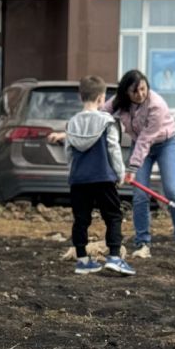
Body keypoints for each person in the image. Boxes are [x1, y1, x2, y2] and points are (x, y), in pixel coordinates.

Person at [48, 76, 133, 276]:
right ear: (101, 98)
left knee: (81, 219)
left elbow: (69, 153)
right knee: (113, 216)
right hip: (103, 178)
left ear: (80, 96)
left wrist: (73, 172)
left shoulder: (72, 123)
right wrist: (120, 174)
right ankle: (114, 257)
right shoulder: (108, 122)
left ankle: (82, 260)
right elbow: (113, 150)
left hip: (79, 180)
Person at [109, 69, 175, 259]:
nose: (140, 94)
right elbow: (100, 113)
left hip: (165, 144)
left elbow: (146, 139)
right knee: (140, 195)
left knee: (172, 190)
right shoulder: (119, 101)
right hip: (139, 145)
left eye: (143, 89)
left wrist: (132, 167)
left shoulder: (157, 104)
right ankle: (143, 243)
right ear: (126, 92)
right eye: (135, 91)